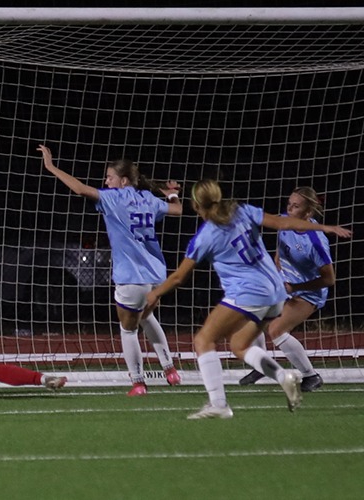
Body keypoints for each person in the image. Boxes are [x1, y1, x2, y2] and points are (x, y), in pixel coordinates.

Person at [144, 179, 352, 419]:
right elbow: (281, 222)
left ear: (197, 206)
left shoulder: (206, 235)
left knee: (203, 341)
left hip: (249, 292)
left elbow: (179, 277)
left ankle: (219, 405)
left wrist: (155, 293)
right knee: (239, 345)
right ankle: (285, 377)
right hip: (276, 292)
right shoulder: (241, 210)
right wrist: (324, 228)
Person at [38, 144, 182, 396]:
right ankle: (170, 370)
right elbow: (178, 210)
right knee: (147, 317)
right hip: (156, 276)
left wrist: (51, 167)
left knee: (128, 329)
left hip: (131, 278)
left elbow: (79, 189)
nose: (106, 181)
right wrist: (171, 193)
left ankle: (138, 382)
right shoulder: (148, 199)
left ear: (123, 180)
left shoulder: (114, 198)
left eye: (109, 177)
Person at [238, 187, 335, 392]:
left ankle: (311, 376)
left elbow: (329, 279)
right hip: (286, 283)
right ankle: (261, 365)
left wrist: (296, 286)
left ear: (308, 213)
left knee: (276, 329)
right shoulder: (284, 222)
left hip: (309, 292)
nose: (289, 209)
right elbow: (280, 251)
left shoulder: (315, 243)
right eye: (289, 204)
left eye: (296, 206)